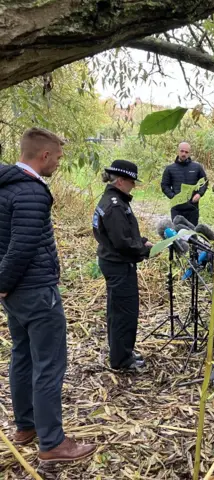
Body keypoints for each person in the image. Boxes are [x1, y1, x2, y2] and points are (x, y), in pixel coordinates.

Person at [0, 127, 95, 462]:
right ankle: (53, 443)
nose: (58, 162)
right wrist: (3, 282)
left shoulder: (6, 185)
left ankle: (26, 426)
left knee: (23, 356)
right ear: (43, 156)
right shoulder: (32, 192)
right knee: (48, 364)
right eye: (57, 157)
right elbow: (21, 247)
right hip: (36, 291)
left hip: (16, 294)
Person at [93, 160, 152, 371]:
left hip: (114, 262)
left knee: (118, 311)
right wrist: (147, 250)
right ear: (120, 181)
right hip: (118, 265)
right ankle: (121, 360)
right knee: (124, 313)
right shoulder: (114, 205)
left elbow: (122, 234)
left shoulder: (112, 200)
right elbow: (122, 242)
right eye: (131, 181)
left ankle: (122, 351)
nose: (133, 186)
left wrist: (142, 240)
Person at [161, 142, 208, 225]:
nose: (184, 154)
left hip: (192, 207)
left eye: (186, 152)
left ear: (189, 153)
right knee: (178, 234)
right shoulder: (170, 169)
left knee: (192, 234)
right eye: (182, 151)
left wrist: (199, 194)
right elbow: (164, 186)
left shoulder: (197, 167)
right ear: (178, 151)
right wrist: (173, 196)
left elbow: (204, 182)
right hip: (177, 208)